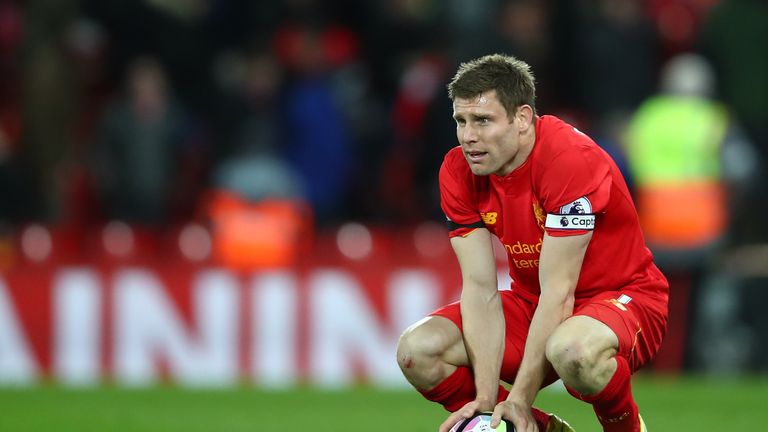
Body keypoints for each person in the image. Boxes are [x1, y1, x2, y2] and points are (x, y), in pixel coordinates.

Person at [396, 54, 668, 432]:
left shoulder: (567, 159)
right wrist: (486, 401)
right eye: (461, 121)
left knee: (572, 349)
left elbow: (560, 291)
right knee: (418, 351)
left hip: (624, 298)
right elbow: (479, 289)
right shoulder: (458, 170)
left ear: (522, 118)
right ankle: (538, 428)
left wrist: (520, 398)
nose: (468, 136)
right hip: (535, 303)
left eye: (483, 120)